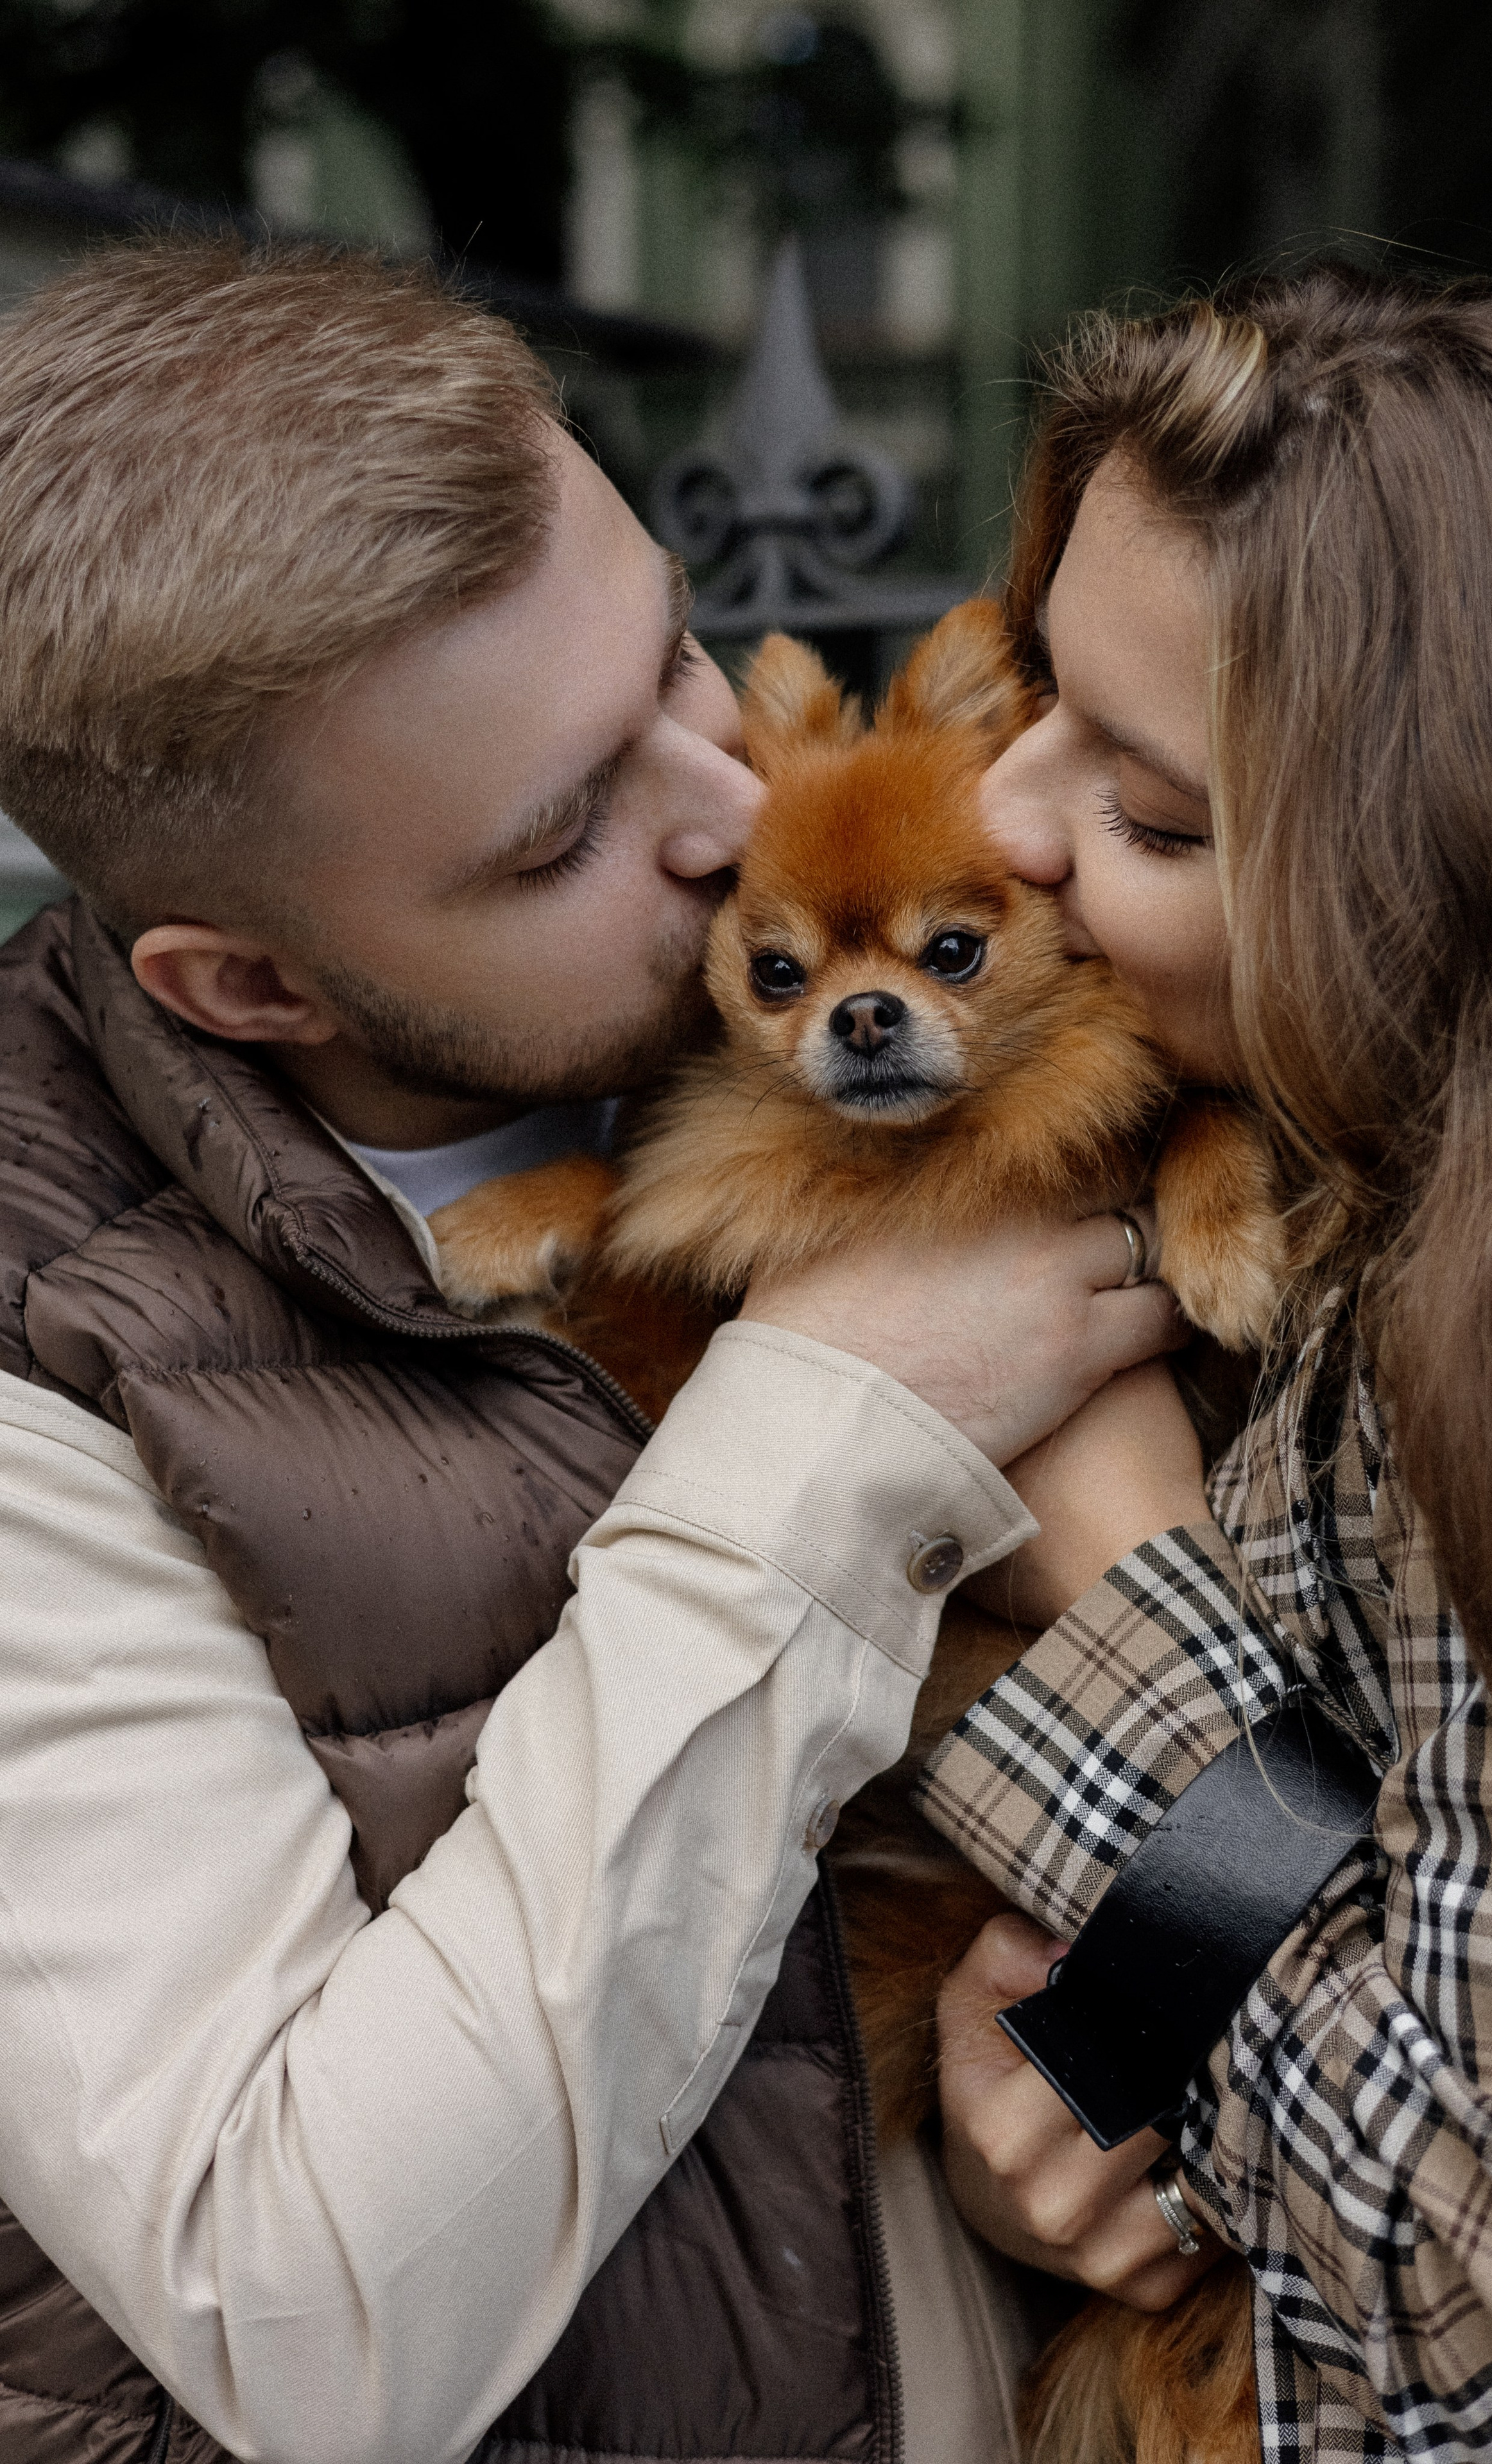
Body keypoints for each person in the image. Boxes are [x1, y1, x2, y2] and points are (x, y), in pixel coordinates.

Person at [0, 238, 1184, 2464]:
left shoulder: (989, 949)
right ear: (246, 987)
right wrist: (838, 1427)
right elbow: (315, 2322)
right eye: (565, 832)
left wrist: (1071, 2110)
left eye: (677, 665)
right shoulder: (43, 1381)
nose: (730, 812)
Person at [852, 261, 1492, 2463]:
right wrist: (1114, 2073)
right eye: (1036, 692)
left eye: (1156, 814)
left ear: (1443, 882)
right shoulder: (1334, 1151)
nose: (1006, 817)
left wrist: (1120, 1565)